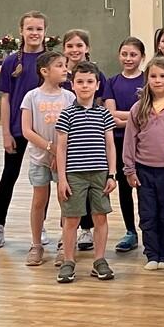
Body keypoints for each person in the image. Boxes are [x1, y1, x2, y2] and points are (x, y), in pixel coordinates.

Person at [53, 61, 117, 283]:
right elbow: (61, 148)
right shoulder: (67, 114)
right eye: (80, 82)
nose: (85, 86)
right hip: (74, 174)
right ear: (72, 85)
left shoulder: (104, 114)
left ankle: (99, 260)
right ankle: (68, 261)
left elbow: (110, 145)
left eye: (90, 81)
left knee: (100, 216)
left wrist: (112, 174)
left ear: (97, 85)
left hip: (99, 173)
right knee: (71, 218)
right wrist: (62, 179)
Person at [123, 57, 164, 271]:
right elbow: (130, 140)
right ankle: (151, 253)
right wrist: (129, 169)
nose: (158, 80)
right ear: (147, 79)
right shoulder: (138, 108)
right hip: (144, 170)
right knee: (148, 214)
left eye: (162, 76)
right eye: (153, 76)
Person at [0, 10, 47, 250]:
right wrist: (6, 133)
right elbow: (5, 99)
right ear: (21, 31)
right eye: (30, 28)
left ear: (45, 32)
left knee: (43, 181)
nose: (34, 33)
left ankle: (40, 226)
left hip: (44, 131)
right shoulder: (11, 61)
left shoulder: (51, 60)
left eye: (39, 29)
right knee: (9, 175)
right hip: (16, 128)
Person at [19, 52, 75, 268]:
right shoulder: (31, 97)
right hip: (39, 158)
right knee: (39, 201)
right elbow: (27, 130)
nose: (65, 69)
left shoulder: (69, 97)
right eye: (60, 65)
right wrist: (51, 149)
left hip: (64, 159)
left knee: (65, 201)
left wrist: (60, 154)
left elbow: (73, 129)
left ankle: (65, 244)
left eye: (65, 65)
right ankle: (36, 245)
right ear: (44, 71)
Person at [108, 37, 147, 252]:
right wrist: (135, 118)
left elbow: (150, 113)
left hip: (144, 143)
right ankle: (130, 231)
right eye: (124, 54)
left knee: (144, 188)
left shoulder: (148, 80)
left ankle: (148, 229)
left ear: (142, 56)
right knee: (124, 187)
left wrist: (127, 119)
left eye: (133, 54)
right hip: (120, 142)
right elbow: (110, 115)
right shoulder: (112, 82)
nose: (128, 58)